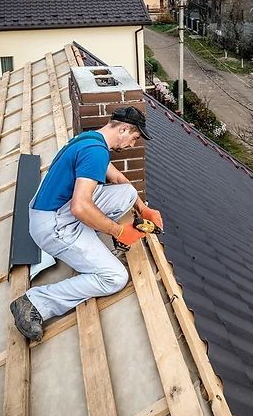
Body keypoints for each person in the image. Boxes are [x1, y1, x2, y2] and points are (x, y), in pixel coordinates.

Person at [10, 106, 163, 342]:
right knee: (115, 277)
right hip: (53, 225)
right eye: (134, 138)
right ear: (123, 129)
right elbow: (80, 207)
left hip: (54, 209)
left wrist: (143, 209)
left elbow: (121, 181)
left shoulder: (91, 139)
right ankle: (35, 303)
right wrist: (118, 231)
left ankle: (90, 240)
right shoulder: (96, 153)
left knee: (125, 193)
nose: (133, 145)